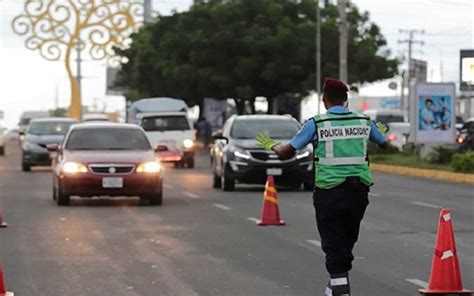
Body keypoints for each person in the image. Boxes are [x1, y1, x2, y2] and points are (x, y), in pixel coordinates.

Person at [256, 77, 388, 296]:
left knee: (333, 240)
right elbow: (385, 144)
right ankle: (335, 286)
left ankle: (339, 287)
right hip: (359, 192)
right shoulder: (364, 121)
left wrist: (271, 145)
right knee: (346, 238)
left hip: (329, 192)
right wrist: (377, 131)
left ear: (325, 101)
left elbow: (287, 152)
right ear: (346, 100)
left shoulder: (316, 123)